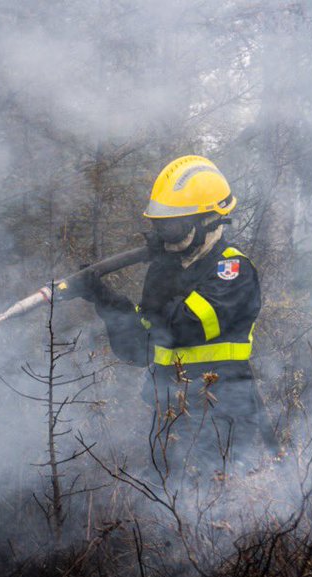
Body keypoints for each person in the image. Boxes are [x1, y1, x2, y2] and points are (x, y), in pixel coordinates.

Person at [80, 155, 266, 461]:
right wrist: (106, 299)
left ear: (207, 221)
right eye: (160, 227)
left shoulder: (232, 271)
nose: (164, 238)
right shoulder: (165, 271)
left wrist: (165, 288)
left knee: (207, 490)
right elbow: (138, 351)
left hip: (221, 415)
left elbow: (184, 328)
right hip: (169, 416)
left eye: (173, 228)